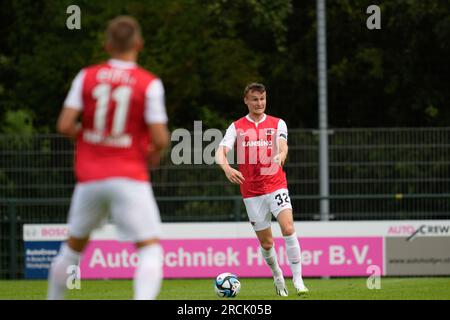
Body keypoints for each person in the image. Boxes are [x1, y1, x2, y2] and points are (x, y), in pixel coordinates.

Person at [47, 16, 169, 300]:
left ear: (107, 44)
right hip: (129, 175)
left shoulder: (86, 76)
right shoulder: (148, 83)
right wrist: (152, 152)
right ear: (139, 44)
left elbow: (65, 125)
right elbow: (160, 138)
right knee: (149, 249)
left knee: (72, 249)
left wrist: (92, 140)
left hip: (89, 177)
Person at [216, 83, 308, 297]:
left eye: (262, 98)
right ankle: (277, 275)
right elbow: (220, 152)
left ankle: (298, 279)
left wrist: (281, 155)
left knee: (288, 227)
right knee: (267, 243)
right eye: (255, 99)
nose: (259, 103)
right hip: (252, 192)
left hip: (276, 184)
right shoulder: (236, 127)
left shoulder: (277, 123)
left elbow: (283, 145)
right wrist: (227, 167)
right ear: (246, 100)